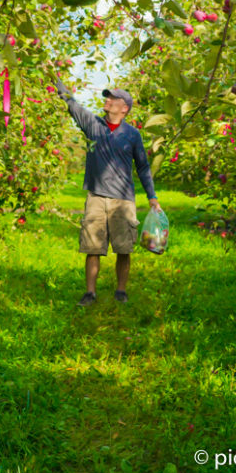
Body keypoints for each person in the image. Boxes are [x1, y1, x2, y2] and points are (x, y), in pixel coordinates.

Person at [56, 77, 161, 306]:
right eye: (108, 97)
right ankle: (90, 293)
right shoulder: (93, 124)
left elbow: (142, 167)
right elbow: (72, 104)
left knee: (124, 249)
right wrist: (54, 77)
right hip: (96, 196)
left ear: (124, 108)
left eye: (113, 98)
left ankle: (121, 290)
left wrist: (152, 196)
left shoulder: (132, 134)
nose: (108, 100)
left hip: (123, 200)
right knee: (92, 247)